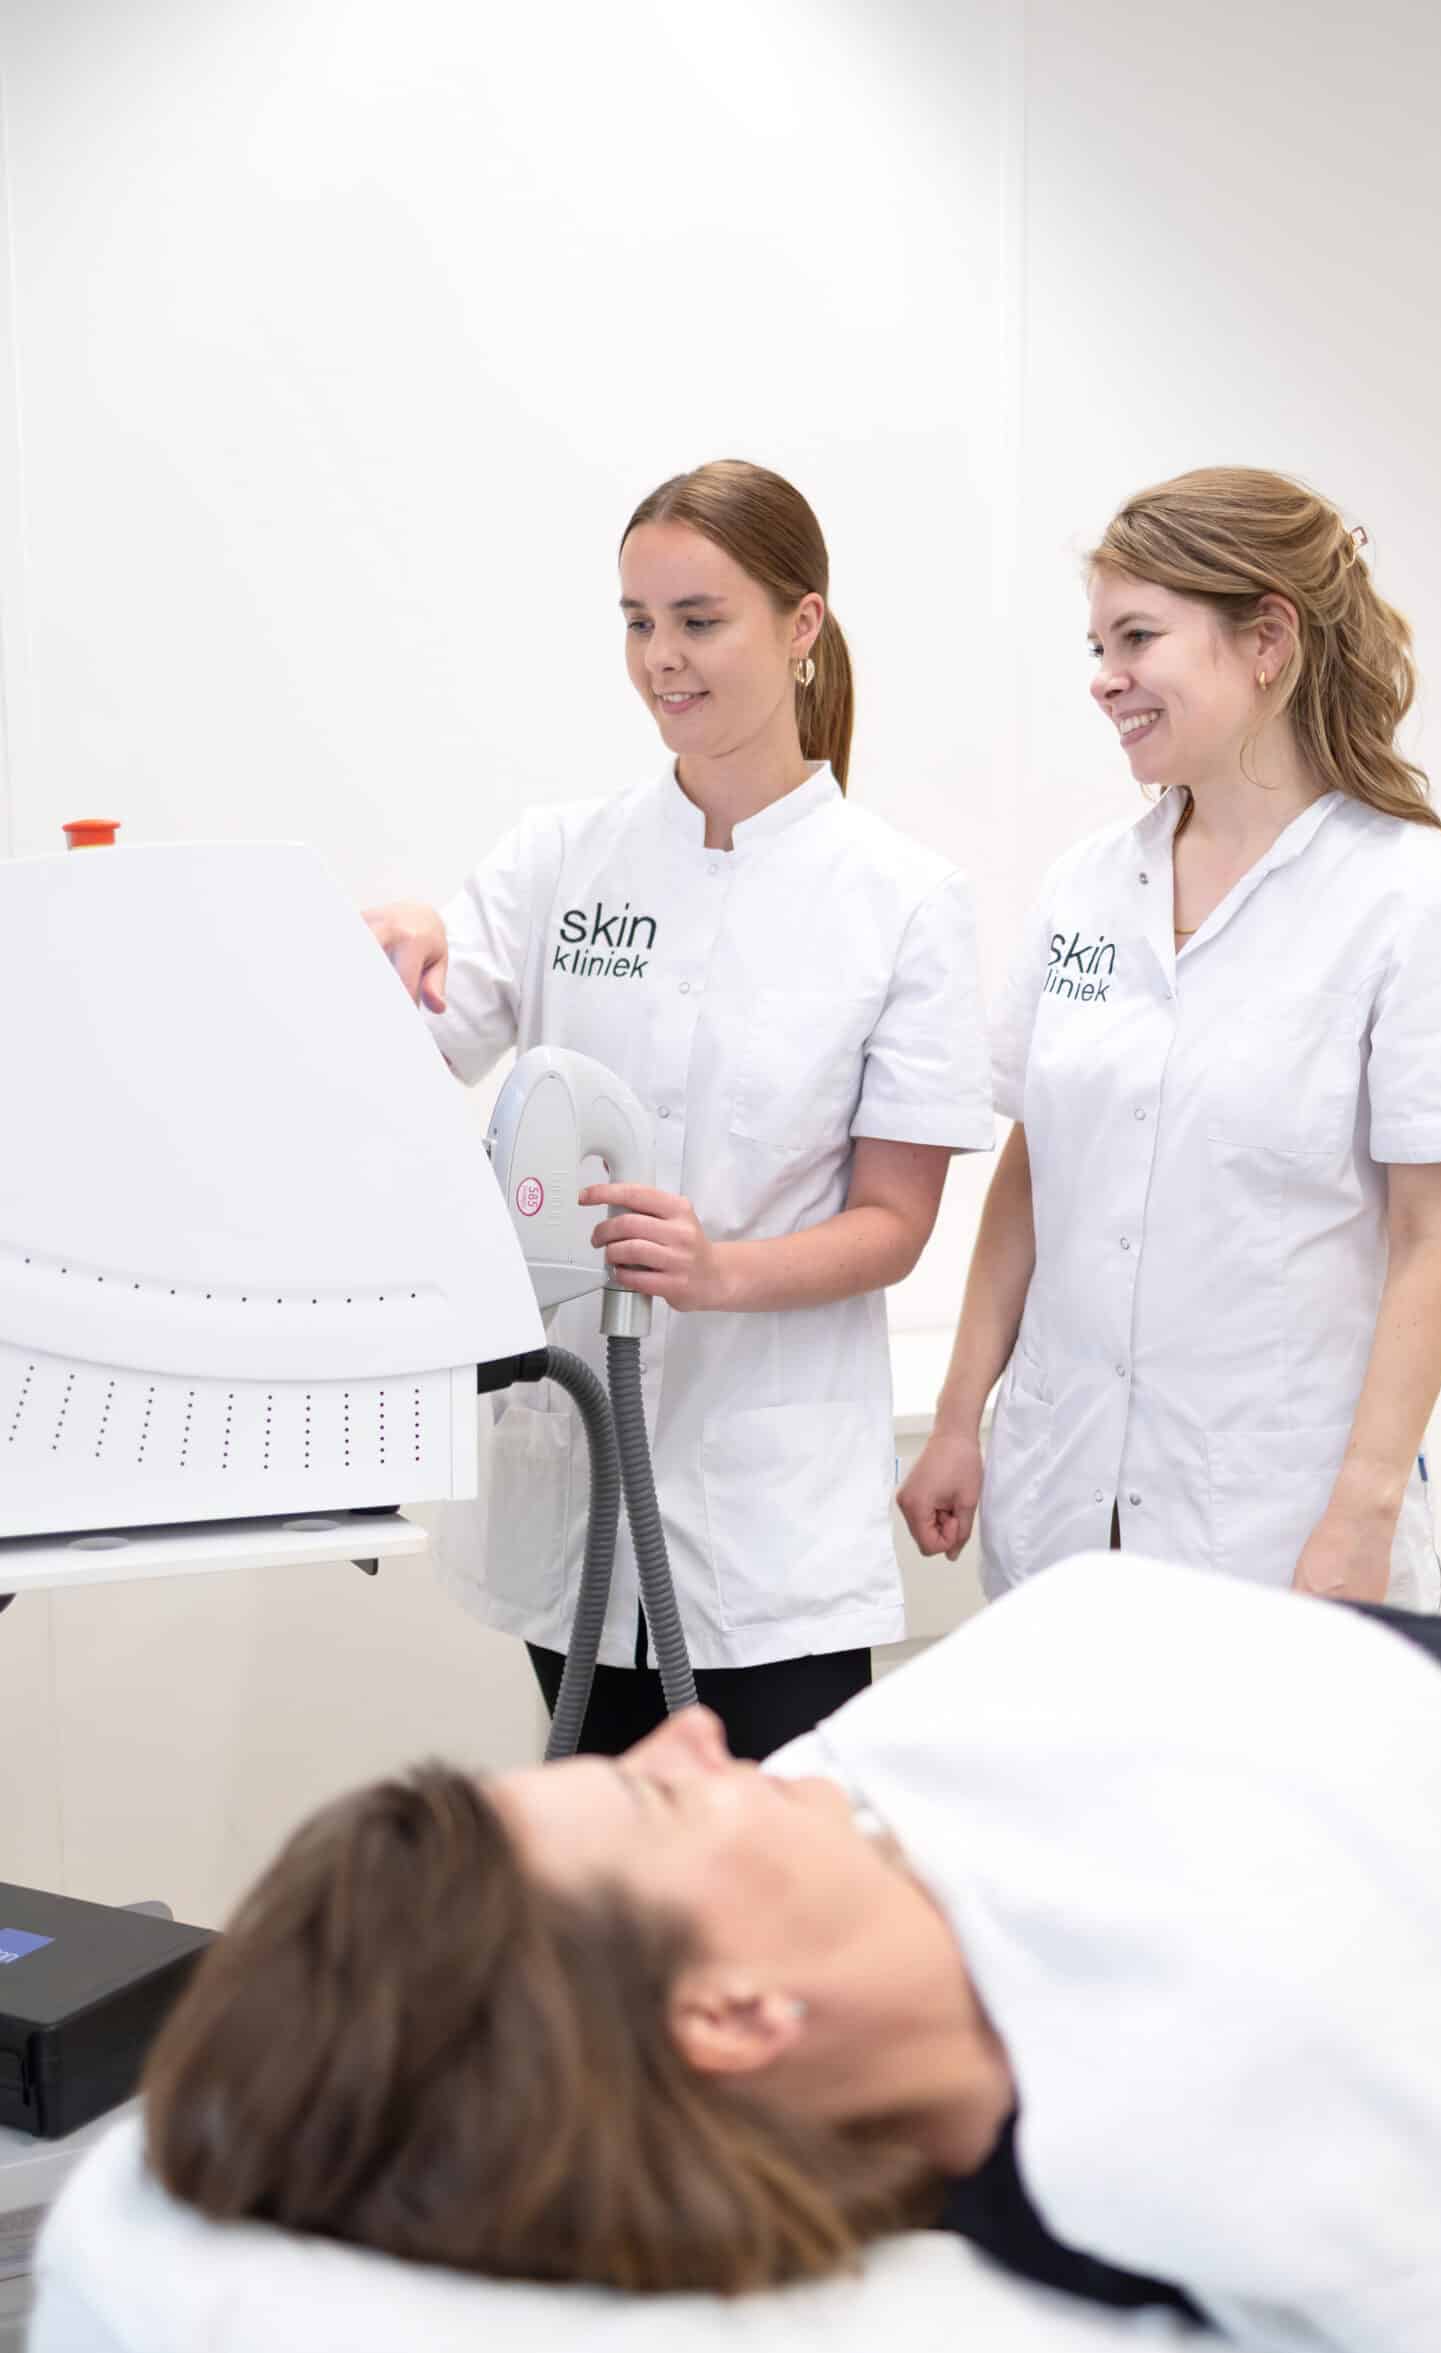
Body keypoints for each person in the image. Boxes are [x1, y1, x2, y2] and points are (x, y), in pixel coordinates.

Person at [144, 1556, 1441, 2353]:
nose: (698, 1735)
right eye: (656, 1794)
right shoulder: (1179, 2129)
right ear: (730, 2014)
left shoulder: (842, 1832)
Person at [363, 461, 992, 1758]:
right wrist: (394, 945)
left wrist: (719, 1272)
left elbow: (893, 1222)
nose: (662, 657)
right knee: (599, 1854)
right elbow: (407, 1048)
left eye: (699, 621)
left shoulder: (899, 900)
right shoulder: (559, 858)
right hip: (572, 1489)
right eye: (638, 621)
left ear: (801, 625)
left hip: (768, 1525)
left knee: (762, 1861)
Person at [899, 467, 1441, 1611]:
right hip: (1062, 1501)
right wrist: (958, 1417)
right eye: (1097, 645)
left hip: (1281, 1529)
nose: (1105, 678)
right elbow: (1038, 1171)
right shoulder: (1088, 886)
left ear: (1268, 641)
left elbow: (1435, 1237)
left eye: (1137, 638)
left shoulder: (1422, 903)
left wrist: (1363, 1514)